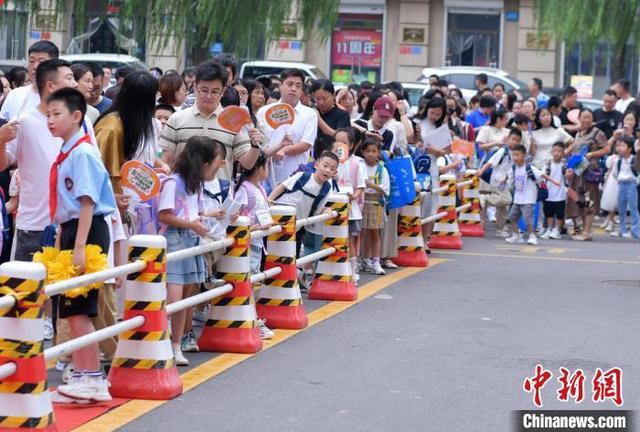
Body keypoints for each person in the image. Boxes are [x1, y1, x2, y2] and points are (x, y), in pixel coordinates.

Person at [47, 87, 116, 403]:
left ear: (76, 116)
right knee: (73, 309)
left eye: (56, 114)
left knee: (79, 309)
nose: (50, 120)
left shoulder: (82, 153)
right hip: (73, 230)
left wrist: (77, 247)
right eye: (48, 114)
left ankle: (91, 378)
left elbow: (87, 202)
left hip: (86, 231)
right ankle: (84, 375)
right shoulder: (68, 152)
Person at [158, 136, 225, 366]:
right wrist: (192, 224)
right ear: (203, 163)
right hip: (176, 240)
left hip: (191, 239)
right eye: (214, 162)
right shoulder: (173, 182)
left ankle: (175, 345)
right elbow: (164, 215)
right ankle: (165, 343)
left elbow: (190, 212)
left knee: (185, 299)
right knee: (174, 298)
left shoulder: (194, 184)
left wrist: (207, 216)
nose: (216, 167)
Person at [160, 62, 261, 181]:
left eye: (214, 92)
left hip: (218, 196)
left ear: (223, 91)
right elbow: (167, 160)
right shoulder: (177, 119)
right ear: (195, 87)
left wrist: (255, 146)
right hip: (183, 194)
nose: (208, 96)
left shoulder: (233, 122)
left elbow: (247, 164)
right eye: (204, 90)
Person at [95, 71, 166, 216]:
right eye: (155, 96)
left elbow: (142, 158)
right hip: (116, 205)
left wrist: (160, 167)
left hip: (140, 201)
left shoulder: (149, 123)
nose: (156, 101)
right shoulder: (111, 128)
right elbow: (106, 172)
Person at [268, 151, 338, 263]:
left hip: (297, 225)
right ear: (316, 164)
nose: (327, 170)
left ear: (335, 172)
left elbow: (317, 211)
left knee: (290, 256)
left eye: (332, 168)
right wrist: (269, 203)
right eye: (325, 166)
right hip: (278, 217)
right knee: (270, 249)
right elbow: (281, 187)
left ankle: (296, 276)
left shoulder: (326, 189)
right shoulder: (303, 176)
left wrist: (326, 210)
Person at [257, 69, 317, 187]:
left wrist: (283, 150)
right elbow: (259, 142)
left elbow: (306, 144)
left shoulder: (309, 114)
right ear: (281, 86)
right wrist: (270, 152)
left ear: (302, 90)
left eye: (298, 86)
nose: (293, 89)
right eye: (289, 84)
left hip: (296, 177)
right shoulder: (264, 112)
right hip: (266, 175)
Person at [565, 109, 610, 241]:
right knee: (580, 201)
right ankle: (584, 230)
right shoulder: (579, 133)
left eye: (589, 117)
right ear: (579, 119)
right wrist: (568, 152)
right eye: (583, 117)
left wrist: (592, 154)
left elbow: (607, 148)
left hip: (590, 171)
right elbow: (575, 146)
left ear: (593, 119)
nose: (586, 120)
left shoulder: (597, 133)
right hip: (578, 171)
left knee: (589, 200)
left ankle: (587, 232)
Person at [505, 145, 559, 245]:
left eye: (517, 155)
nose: (515, 157)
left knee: (527, 220)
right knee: (512, 218)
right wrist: (502, 180)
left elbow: (542, 174)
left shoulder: (529, 168)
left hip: (528, 200)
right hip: (517, 199)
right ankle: (516, 236)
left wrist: (553, 181)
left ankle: (532, 236)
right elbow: (508, 176)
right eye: (513, 155)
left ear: (524, 156)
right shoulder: (514, 168)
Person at [332, 127, 365, 283]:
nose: (340, 145)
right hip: (333, 207)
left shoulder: (357, 162)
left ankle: (352, 270)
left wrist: (353, 197)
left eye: (344, 142)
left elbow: (361, 186)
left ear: (351, 145)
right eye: (337, 141)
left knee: (349, 240)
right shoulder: (330, 161)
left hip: (351, 209)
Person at [477, 128, 522, 237]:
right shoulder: (503, 150)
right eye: (513, 139)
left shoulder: (517, 153)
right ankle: (486, 200)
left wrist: (508, 179)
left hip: (505, 181)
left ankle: (499, 229)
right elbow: (490, 162)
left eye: (517, 140)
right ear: (508, 139)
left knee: (503, 208)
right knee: (507, 200)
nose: (514, 142)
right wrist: (481, 170)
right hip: (497, 180)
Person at [1, 40, 58, 120]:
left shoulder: (63, 97)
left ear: (55, 64)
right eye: (31, 61)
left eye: (41, 61)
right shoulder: (15, 95)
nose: (35, 66)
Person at [360, 138, 390, 275]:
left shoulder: (381, 169)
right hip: (361, 201)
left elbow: (385, 189)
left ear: (378, 153)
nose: (371, 154)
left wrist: (371, 185)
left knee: (374, 233)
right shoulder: (360, 166)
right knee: (361, 233)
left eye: (374, 151)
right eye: (367, 151)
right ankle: (364, 259)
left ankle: (376, 261)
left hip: (375, 203)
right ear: (362, 152)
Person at [610, 136, 639, 238]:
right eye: (619, 145)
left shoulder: (634, 159)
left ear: (630, 148)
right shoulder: (618, 161)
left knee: (633, 208)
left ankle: (636, 230)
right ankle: (623, 230)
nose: (620, 148)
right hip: (621, 184)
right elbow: (615, 173)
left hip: (631, 184)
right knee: (621, 209)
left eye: (623, 145)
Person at [540, 142, 567, 240]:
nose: (556, 153)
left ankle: (557, 230)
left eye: (559, 151)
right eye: (554, 151)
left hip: (560, 194)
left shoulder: (564, 165)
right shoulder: (547, 164)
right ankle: (549, 229)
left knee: (559, 214)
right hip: (549, 193)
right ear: (551, 152)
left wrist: (568, 175)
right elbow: (542, 175)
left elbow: (568, 178)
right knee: (549, 213)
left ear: (563, 153)